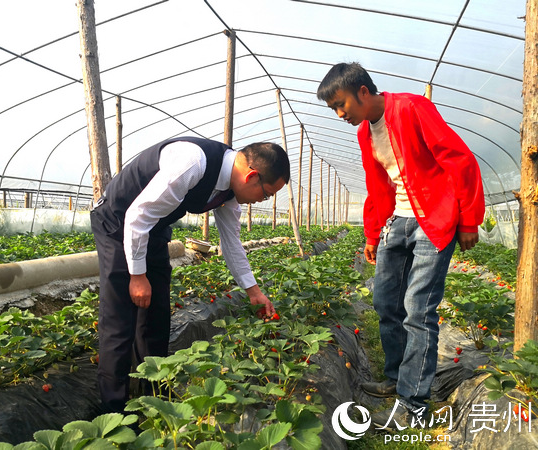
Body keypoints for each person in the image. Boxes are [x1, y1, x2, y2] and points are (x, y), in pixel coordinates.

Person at [317, 63, 485, 428]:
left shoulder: (411, 108)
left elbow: (459, 158)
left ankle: (414, 403)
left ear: (363, 91)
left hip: (434, 219)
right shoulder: (365, 134)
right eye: (333, 109)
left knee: (418, 310)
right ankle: (396, 377)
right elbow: (378, 187)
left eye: (341, 104)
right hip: (398, 220)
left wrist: (469, 218)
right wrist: (373, 234)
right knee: (385, 301)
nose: (340, 114)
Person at [90, 136, 290, 413]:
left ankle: (153, 390)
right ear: (252, 176)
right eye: (266, 194)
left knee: (156, 314)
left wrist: (253, 291)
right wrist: (137, 276)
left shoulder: (229, 193)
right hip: (118, 221)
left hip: (154, 229)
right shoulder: (192, 162)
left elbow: (231, 243)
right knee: (120, 317)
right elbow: (137, 215)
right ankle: (113, 409)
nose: (262, 200)